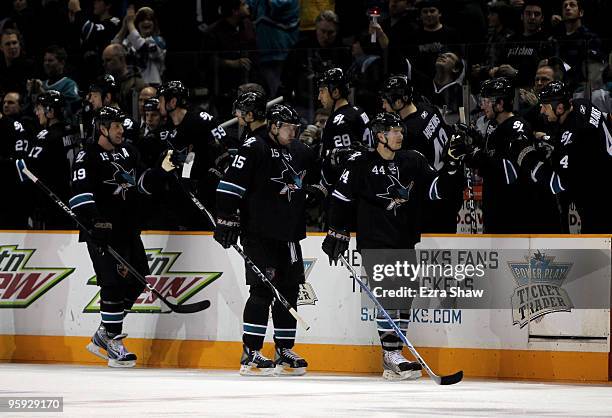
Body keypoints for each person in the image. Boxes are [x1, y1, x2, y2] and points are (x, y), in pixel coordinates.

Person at [321, 111, 464, 380]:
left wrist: (453, 165)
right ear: (380, 136)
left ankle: (394, 353)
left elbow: (437, 189)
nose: (400, 134)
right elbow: (341, 196)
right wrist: (336, 231)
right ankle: (390, 354)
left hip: (404, 238)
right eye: (394, 131)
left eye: (400, 130)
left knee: (404, 296)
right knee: (389, 294)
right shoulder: (360, 162)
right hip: (375, 241)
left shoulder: (414, 160)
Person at [214, 103, 318, 376]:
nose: (293, 132)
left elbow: (318, 180)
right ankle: (251, 352)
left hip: (290, 233)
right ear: (273, 125)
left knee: (290, 289)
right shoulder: (254, 146)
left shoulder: (300, 151)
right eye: (288, 128)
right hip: (259, 233)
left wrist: (317, 192)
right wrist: (225, 219)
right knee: (262, 291)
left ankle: (284, 348)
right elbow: (228, 188)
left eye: (296, 128)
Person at [68, 106, 177, 367]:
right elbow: (79, 195)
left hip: (127, 228)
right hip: (102, 233)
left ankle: (104, 333)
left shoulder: (128, 151)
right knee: (113, 283)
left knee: (139, 278)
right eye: (116, 126)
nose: (121, 130)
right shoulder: (87, 156)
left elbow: (140, 183)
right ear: (103, 128)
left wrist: (161, 172)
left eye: (121, 125)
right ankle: (114, 341)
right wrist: (95, 222)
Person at [512, 80, 612, 232]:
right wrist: (546, 138)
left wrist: (527, 157)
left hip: (599, 202)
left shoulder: (577, 134)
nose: (542, 111)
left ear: (559, 108)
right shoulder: (582, 104)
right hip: (602, 177)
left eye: (545, 107)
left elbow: (557, 183)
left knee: (596, 249)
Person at [466, 77, 561, 233]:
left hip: (513, 215)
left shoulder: (518, 129)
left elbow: (509, 173)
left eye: (487, 101)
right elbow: (491, 154)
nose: (483, 105)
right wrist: (476, 143)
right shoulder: (493, 124)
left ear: (500, 104)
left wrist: (477, 157)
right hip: (495, 210)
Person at [380, 74, 462, 233]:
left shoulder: (407, 133)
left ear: (398, 102)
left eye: (386, 101)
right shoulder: (429, 109)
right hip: (448, 186)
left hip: (432, 199)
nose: (383, 107)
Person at [157, 80, 228, 228]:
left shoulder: (202, 120)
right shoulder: (164, 129)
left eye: (161, 100)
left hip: (207, 195)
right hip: (181, 197)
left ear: (173, 101)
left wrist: (215, 175)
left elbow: (224, 149)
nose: (158, 105)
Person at [27, 90, 79, 229]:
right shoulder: (73, 131)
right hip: (73, 197)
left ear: (50, 111)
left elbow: (30, 169)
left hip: (52, 201)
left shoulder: (46, 137)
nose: (37, 113)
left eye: (39, 109)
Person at [317, 68, 372, 191]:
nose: (319, 97)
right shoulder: (357, 110)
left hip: (347, 189)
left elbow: (344, 160)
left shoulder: (339, 121)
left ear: (335, 92)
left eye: (322, 92)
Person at [112, 6, 166, 86]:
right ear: (137, 24)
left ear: (154, 23)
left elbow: (142, 47)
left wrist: (130, 23)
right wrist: (124, 27)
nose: (146, 22)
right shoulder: (130, 41)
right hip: (130, 87)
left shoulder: (159, 41)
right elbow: (113, 49)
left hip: (151, 87)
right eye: (142, 20)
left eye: (149, 19)